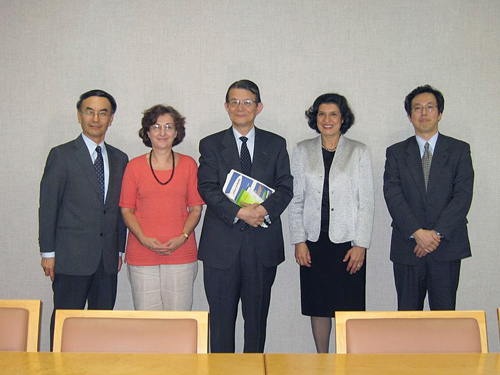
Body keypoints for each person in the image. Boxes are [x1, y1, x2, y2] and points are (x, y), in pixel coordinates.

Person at [197, 79, 293, 353]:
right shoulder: (211, 144)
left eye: (247, 102)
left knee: (256, 324)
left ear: (259, 107)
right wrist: (240, 212)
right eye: (235, 102)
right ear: (226, 107)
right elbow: (207, 187)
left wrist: (262, 211)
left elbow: (286, 187)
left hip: (262, 247)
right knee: (221, 324)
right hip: (221, 249)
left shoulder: (275, 144)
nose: (241, 108)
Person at [39, 89, 128, 349]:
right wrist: (48, 252)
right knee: (67, 324)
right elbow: (48, 207)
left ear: (111, 118)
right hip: (70, 258)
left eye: (103, 112)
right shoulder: (62, 155)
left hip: (107, 259)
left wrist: (120, 249)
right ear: (79, 115)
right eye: (89, 111)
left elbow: (119, 208)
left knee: (101, 326)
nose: (96, 118)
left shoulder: (120, 158)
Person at [288, 93, 374, 353]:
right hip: (314, 243)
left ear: (342, 118)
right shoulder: (302, 150)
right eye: (321, 114)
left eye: (333, 114)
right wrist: (298, 241)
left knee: (348, 308)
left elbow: (366, 202)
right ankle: (322, 361)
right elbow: (296, 199)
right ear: (315, 118)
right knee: (319, 306)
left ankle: (345, 364)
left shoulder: (358, 151)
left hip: (347, 244)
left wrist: (361, 244)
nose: (327, 119)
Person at [383, 85, 474, 311]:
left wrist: (435, 235)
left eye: (430, 107)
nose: (424, 113)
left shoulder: (459, 150)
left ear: (440, 113)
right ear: (410, 116)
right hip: (408, 247)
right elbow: (393, 195)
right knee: (408, 319)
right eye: (417, 108)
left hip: (446, 248)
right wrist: (417, 232)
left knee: (444, 320)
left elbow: (462, 196)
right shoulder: (395, 153)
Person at [120, 105, 203, 311]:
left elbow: (195, 209)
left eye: (168, 127)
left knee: (179, 323)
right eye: (156, 126)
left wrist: (182, 236)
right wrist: (143, 239)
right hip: (141, 255)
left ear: (177, 132)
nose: (162, 132)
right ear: (147, 132)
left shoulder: (189, 165)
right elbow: (126, 210)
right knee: (149, 325)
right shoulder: (134, 166)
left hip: (181, 255)